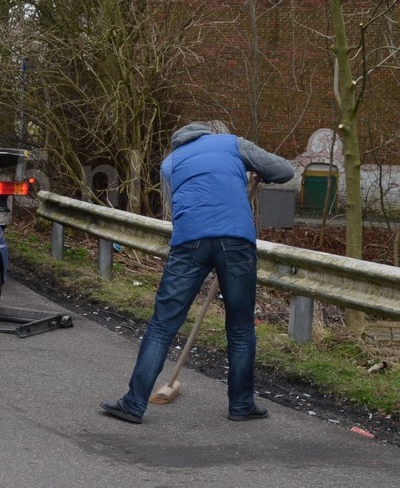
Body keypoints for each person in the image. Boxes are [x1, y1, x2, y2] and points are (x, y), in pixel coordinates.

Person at [101, 123, 294, 424]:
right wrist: (260, 171)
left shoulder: (170, 164)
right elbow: (285, 170)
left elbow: (176, 204)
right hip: (235, 240)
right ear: (207, 134)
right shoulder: (233, 144)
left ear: (177, 144)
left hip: (190, 241)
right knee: (241, 328)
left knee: (162, 325)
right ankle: (241, 405)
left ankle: (133, 404)